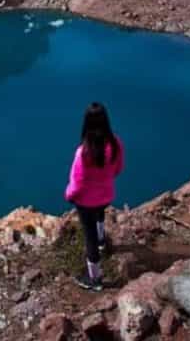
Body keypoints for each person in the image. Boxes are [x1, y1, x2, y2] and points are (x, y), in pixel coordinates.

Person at [64, 102, 124, 291]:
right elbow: (118, 169)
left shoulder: (83, 152)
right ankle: (101, 240)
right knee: (100, 213)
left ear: (86, 123)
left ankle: (95, 278)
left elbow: (77, 184)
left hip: (85, 202)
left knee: (87, 235)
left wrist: (69, 195)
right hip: (105, 195)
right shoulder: (115, 145)